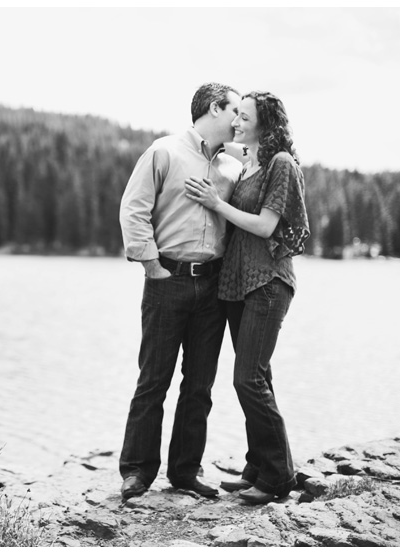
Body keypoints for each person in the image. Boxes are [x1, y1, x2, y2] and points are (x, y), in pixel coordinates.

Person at [117, 83, 244, 500]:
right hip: (166, 280)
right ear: (213, 108)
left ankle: (185, 472)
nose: (239, 121)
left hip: (212, 286)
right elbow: (133, 209)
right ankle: (137, 471)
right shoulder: (164, 152)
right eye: (235, 112)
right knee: (154, 379)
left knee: (200, 385)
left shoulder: (231, 167)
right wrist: (152, 267)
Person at [184, 90, 310, 504]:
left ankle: (276, 479)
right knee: (260, 379)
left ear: (265, 123)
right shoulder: (252, 160)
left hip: (268, 282)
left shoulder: (281, 164)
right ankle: (261, 466)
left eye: (244, 114)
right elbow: (224, 144)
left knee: (247, 379)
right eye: (234, 113)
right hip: (238, 284)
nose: (236, 119)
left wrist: (216, 203)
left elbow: (266, 227)